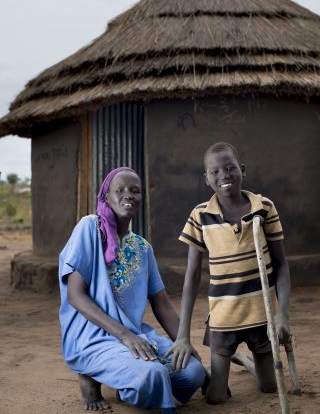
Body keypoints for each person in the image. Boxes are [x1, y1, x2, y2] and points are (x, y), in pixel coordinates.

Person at [58, 167, 206, 413]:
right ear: (106, 196)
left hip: (135, 337)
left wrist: (183, 341)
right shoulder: (90, 228)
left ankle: (127, 380)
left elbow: (161, 304)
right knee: (155, 374)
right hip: (93, 338)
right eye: (120, 190)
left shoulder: (142, 247)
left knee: (193, 373)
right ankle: (92, 372)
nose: (128, 195)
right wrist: (125, 336)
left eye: (135, 191)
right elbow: (75, 295)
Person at [165, 142, 291, 405]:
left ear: (242, 170)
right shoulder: (200, 215)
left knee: (270, 386)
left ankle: (245, 360)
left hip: (262, 314)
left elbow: (281, 265)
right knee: (216, 398)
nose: (223, 175)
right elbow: (191, 277)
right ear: (206, 178)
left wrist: (281, 315)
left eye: (230, 167)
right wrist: (183, 336)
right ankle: (229, 360)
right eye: (215, 171)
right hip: (224, 319)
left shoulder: (264, 207)